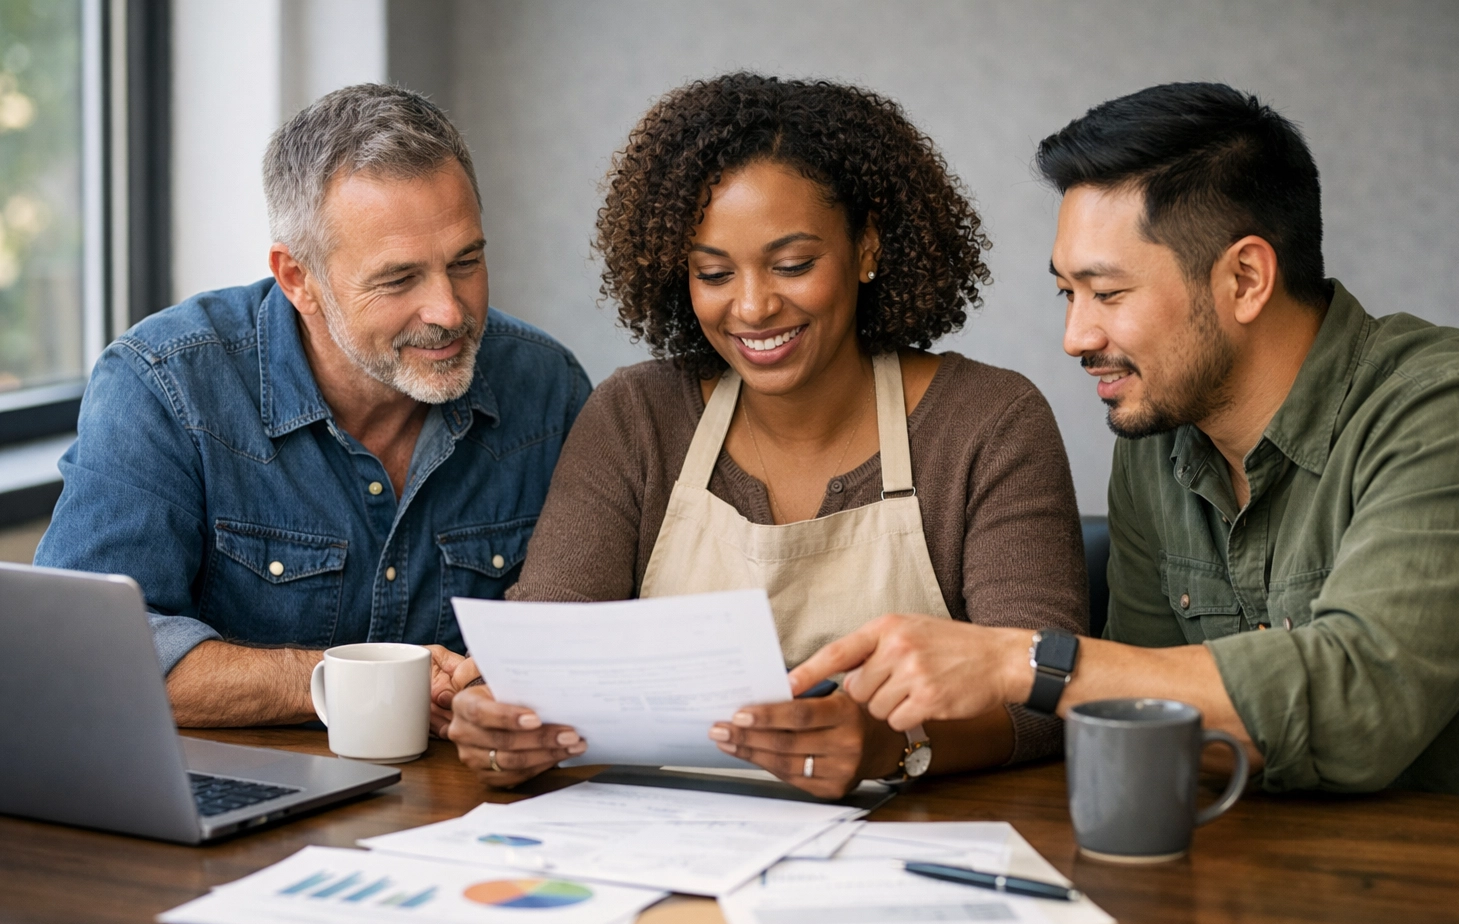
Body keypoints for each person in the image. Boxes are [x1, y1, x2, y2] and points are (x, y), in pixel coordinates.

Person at [793, 82, 1459, 801]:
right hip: (1251, 860)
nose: (1075, 336)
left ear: (1245, 278)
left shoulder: (1458, 412)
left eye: (1108, 293)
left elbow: (1359, 704)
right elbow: (1130, 715)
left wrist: (1024, 662)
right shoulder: (1155, 443)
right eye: (1067, 293)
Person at [442, 73, 1088, 796]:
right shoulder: (636, 418)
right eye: (714, 273)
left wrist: (892, 744)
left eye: (793, 266)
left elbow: (1043, 698)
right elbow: (545, 654)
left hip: (911, 833)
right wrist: (501, 723)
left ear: (867, 245)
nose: (752, 308)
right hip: (669, 834)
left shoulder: (988, 422)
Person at [34, 85, 590, 736]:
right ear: (298, 278)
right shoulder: (164, 385)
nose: (448, 310)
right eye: (399, 279)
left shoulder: (547, 388)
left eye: (466, 262)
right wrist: (364, 682)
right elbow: (83, 656)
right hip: (245, 789)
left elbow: (592, 638)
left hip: (470, 792)